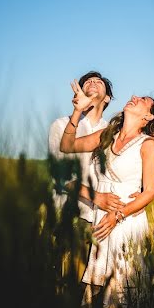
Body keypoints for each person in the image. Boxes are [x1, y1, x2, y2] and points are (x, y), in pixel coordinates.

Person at [60, 80, 154, 308]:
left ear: (148, 117)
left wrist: (117, 215)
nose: (134, 96)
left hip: (126, 225)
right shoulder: (107, 136)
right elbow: (67, 145)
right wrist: (77, 112)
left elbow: (148, 193)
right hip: (103, 222)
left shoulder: (149, 145)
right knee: (103, 306)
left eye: (143, 99)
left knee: (124, 302)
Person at [47, 71, 114, 220]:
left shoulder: (113, 131)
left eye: (99, 82)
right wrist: (97, 197)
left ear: (107, 98)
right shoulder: (61, 125)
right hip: (66, 213)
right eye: (88, 82)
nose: (92, 82)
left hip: (101, 216)